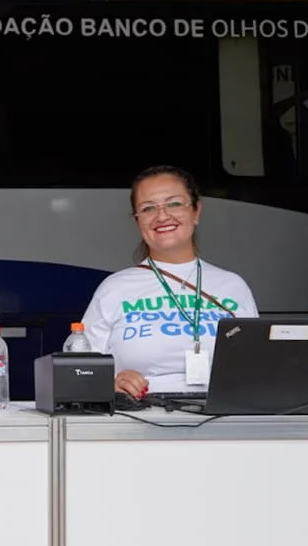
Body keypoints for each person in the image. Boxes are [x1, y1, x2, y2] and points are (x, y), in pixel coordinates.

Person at [81, 165, 258, 397]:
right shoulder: (114, 288)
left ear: (196, 211)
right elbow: (79, 370)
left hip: (222, 416)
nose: (162, 216)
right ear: (137, 221)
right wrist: (110, 381)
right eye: (148, 208)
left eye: (174, 203)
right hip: (141, 418)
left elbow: (257, 366)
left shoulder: (233, 286)